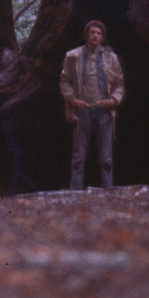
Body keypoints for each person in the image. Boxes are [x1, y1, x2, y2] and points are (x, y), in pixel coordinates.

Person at [59, 20, 124, 190]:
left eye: (99, 33)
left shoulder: (111, 57)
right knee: (78, 158)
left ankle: (108, 191)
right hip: (82, 110)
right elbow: (64, 81)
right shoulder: (73, 56)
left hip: (104, 111)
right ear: (86, 35)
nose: (95, 36)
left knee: (106, 158)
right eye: (92, 32)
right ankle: (75, 194)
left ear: (102, 37)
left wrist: (114, 100)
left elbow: (119, 83)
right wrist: (71, 99)